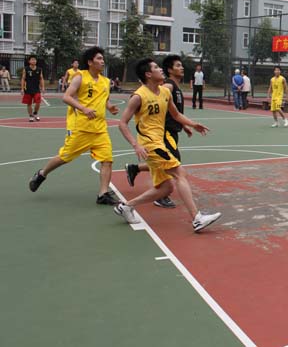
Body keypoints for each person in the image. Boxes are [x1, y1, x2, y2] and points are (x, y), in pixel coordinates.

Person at [115, 58, 221, 232]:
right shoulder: (138, 96)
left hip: (159, 142)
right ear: (148, 74)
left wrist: (192, 124)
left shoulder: (165, 92)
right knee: (180, 173)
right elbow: (122, 123)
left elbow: (176, 114)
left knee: (166, 188)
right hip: (150, 144)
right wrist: (135, 145)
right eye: (156, 67)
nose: (160, 69)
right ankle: (197, 218)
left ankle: (126, 206)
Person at [28, 47, 122, 206]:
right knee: (64, 157)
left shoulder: (106, 81)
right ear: (90, 62)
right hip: (82, 128)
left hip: (100, 129)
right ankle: (42, 174)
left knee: (107, 160)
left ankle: (103, 194)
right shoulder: (80, 77)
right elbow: (66, 97)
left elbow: (104, 99)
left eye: (102, 58)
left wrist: (110, 106)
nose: (102, 61)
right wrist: (83, 108)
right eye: (99, 58)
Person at [125, 55, 193, 209]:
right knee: (177, 168)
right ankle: (193, 214)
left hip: (169, 131)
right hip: (162, 134)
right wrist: (135, 144)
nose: (182, 67)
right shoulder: (168, 86)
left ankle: (130, 198)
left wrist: (187, 124)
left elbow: (175, 113)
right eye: (178, 65)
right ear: (170, 70)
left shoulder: (169, 89)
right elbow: (152, 98)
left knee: (169, 169)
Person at [21, 56, 45, 122]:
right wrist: (22, 89)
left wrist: (43, 87)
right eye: (32, 60)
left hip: (36, 88)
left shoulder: (39, 69)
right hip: (28, 88)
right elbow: (23, 79)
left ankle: (35, 113)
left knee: (38, 102)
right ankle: (31, 116)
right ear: (29, 61)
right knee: (29, 103)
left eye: (35, 60)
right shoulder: (26, 69)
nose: (34, 61)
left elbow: (41, 78)